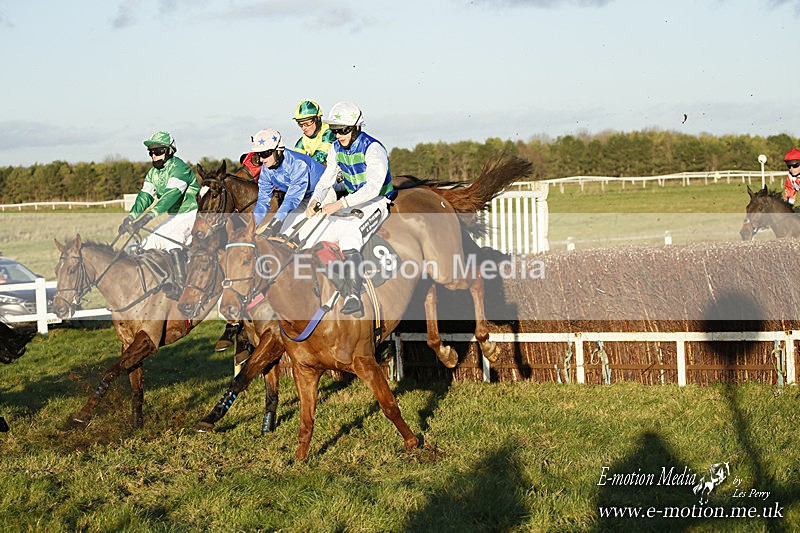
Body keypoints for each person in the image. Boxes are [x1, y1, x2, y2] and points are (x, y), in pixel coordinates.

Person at [303, 102, 395, 318]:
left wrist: (339, 204)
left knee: (349, 240)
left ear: (356, 127)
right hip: (353, 202)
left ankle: (353, 296)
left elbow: (373, 188)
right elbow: (326, 179)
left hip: (377, 201)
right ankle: (333, 287)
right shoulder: (335, 148)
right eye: (335, 130)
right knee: (318, 236)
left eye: (343, 130)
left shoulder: (373, 148)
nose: (339, 135)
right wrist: (315, 200)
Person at [118, 131, 200, 297]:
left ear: (169, 151)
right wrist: (131, 217)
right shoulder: (153, 173)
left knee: (172, 242)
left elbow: (170, 196)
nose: (154, 155)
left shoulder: (180, 168)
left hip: (192, 214)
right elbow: (145, 196)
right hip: (174, 217)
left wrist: (147, 218)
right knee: (145, 245)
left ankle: (181, 287)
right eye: (151, 152)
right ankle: (159, 284)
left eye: (158, 151)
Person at [250, 128, 327, 237]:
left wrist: (276, 221)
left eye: (265, 154)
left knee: (306, 234)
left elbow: (292, 198)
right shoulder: (266, 170)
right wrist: (251, 226)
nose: (262, 159)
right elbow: (263, 200)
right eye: (258, 155)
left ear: (278, 150)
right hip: (304, 198)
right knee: (284, 233)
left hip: (325, 192)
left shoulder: (297, 163)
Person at [292, 100, 337, 165]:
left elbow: (321, 155)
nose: (304, 128)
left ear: (318, 119)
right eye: (300, 124)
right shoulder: (302, 142)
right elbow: (295, 162)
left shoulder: (330, 131)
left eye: (307, 123)